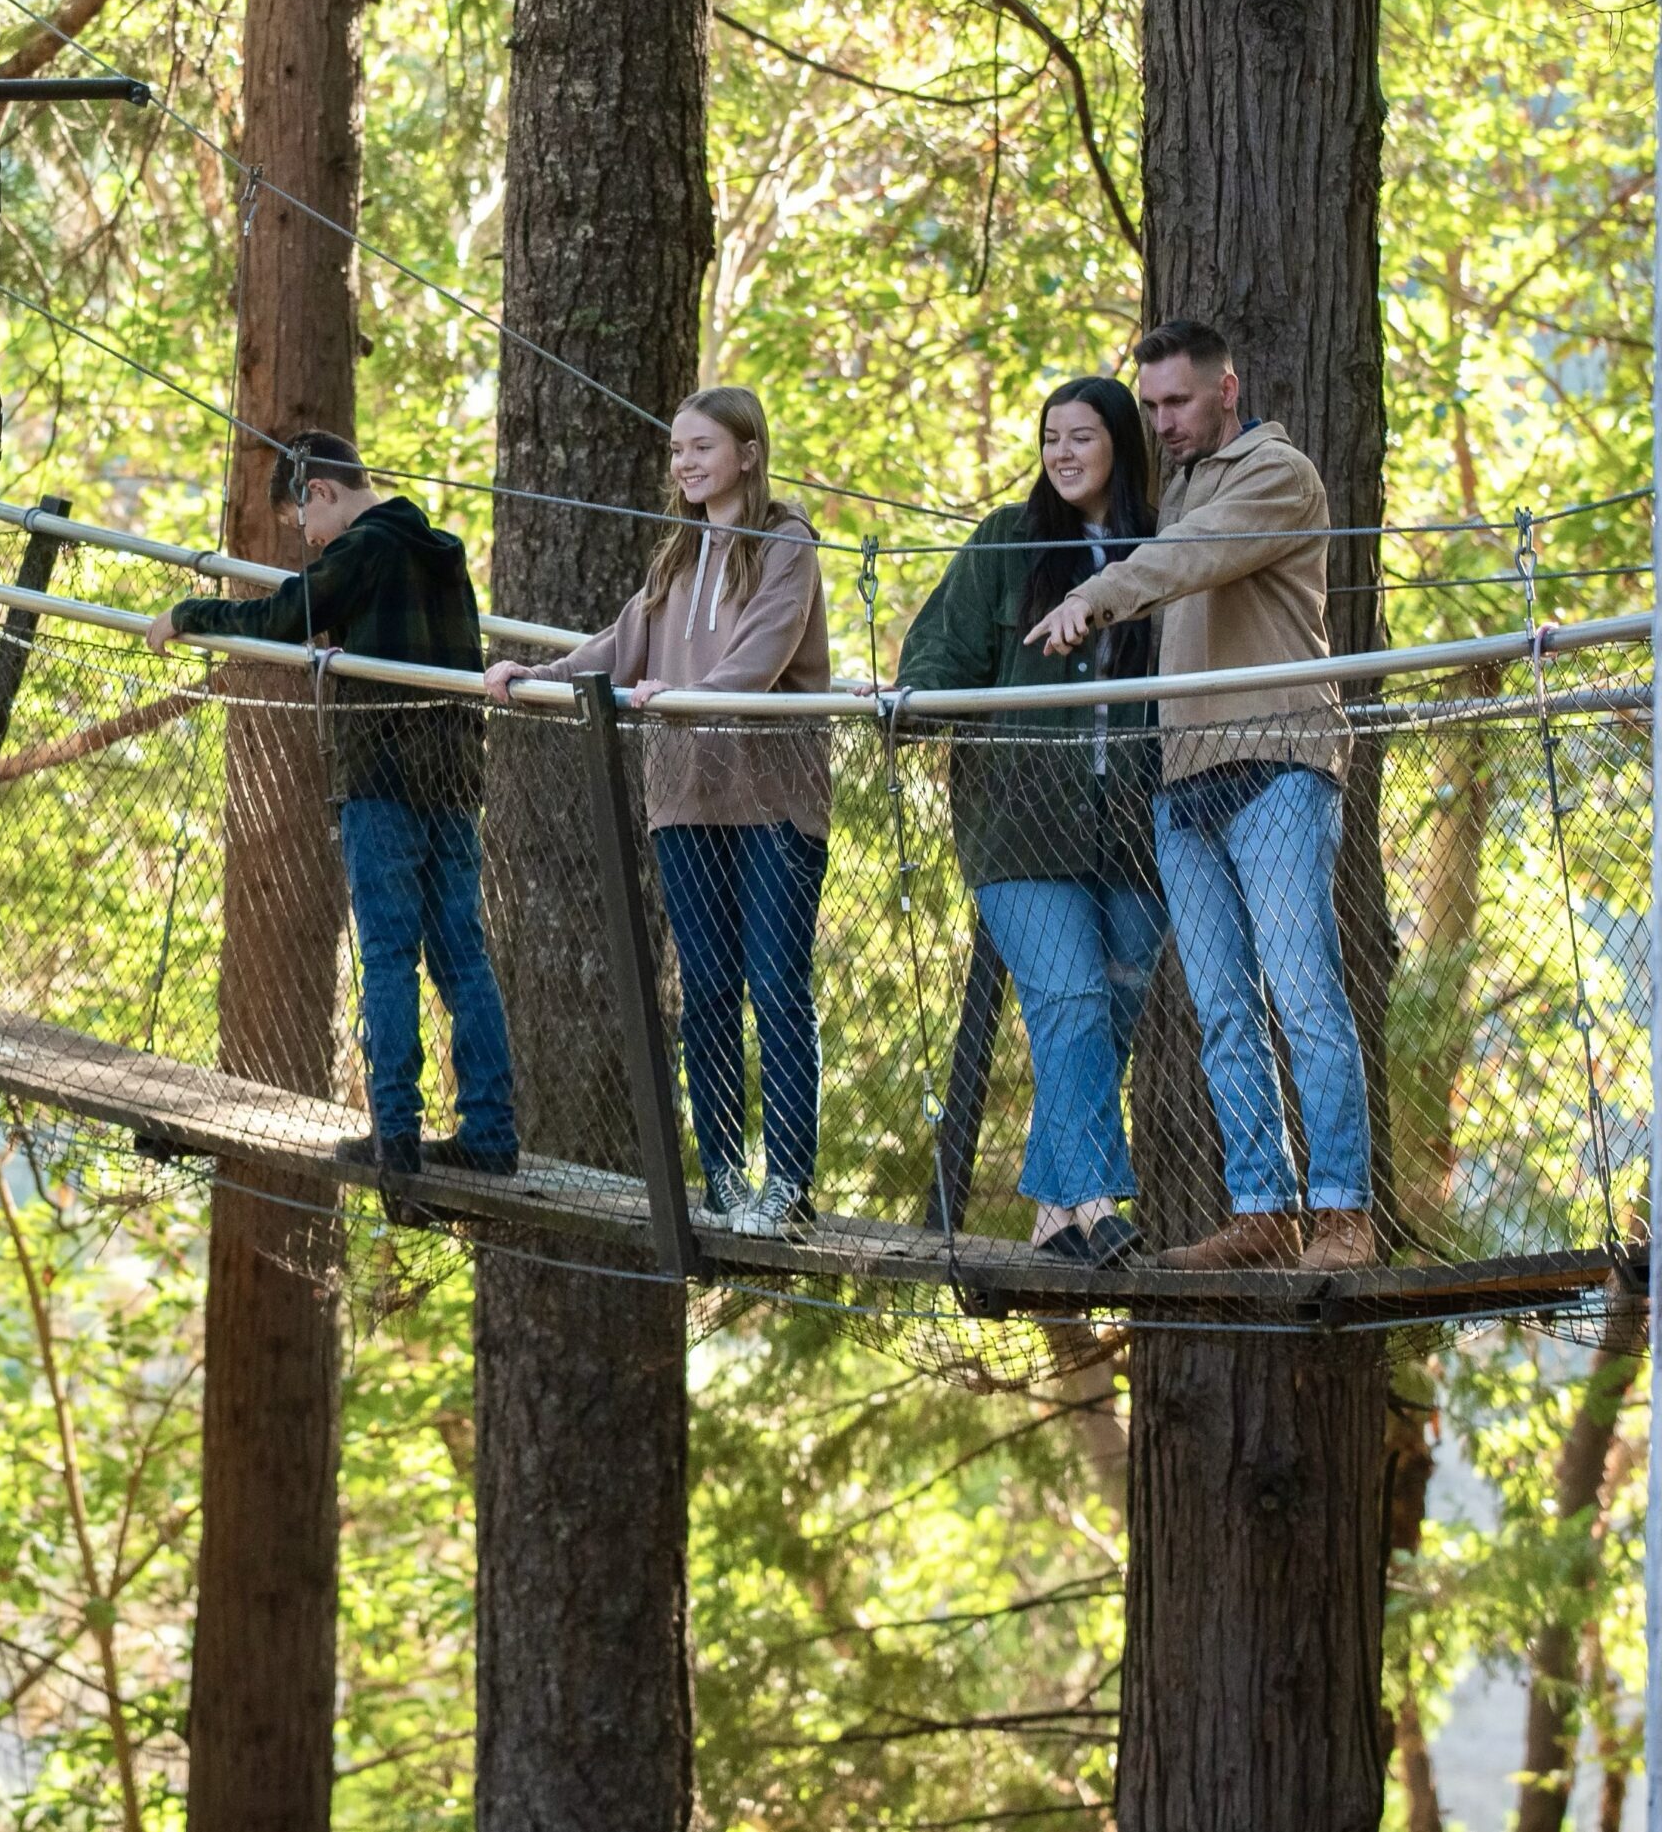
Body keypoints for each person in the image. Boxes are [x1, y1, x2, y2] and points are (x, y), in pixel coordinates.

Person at [1024, 319, 1374, 1272]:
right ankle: (1265, 1212)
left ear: (1227, 387)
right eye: (1152, 406)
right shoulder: (1174, 483)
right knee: (1224, 1012)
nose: (1164, 420)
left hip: (1278, 765)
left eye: (1178, 400)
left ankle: (1343, 1212)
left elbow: (1191, 558)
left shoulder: (1278, 472)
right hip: (1187, 785)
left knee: (1304, 995)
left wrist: (1099, 596)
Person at [485, 386, 830, 1238]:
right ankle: (723, 1184)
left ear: (748, 452)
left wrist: (682, 695)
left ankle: (786, 1186)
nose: (684, 463)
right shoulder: (675, 558)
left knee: (777, 987)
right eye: (677, 449)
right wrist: (532, 676)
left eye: (701, 447)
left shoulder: (785, 544)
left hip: (773, 798)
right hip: (684, 799)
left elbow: (762, 654)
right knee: (709, 989)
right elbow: (618, 646)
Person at [145, 432, 518, 1180]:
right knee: (461, 956)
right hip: (451, 782)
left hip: (382, 779)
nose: (307, 540)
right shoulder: (444, 553)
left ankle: (396, 1132)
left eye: (302, 524)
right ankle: (490, 1128)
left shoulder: (365, 549)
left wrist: (191, 613)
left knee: (386, 953)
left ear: (319, 492)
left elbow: (286, 615)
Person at [891, 375, 1164, 1269]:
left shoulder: (1161, 548)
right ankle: (1094, 1201)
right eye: (1051, 437)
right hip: (1016, 826)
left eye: (1082, 437)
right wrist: (912, 706)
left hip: (1133, 828)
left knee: (1105, 1018)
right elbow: (938, 648)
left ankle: (1054, 1219)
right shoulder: (1008, 541)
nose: (1063, 453)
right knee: (1072, 998)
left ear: (1121, 444)